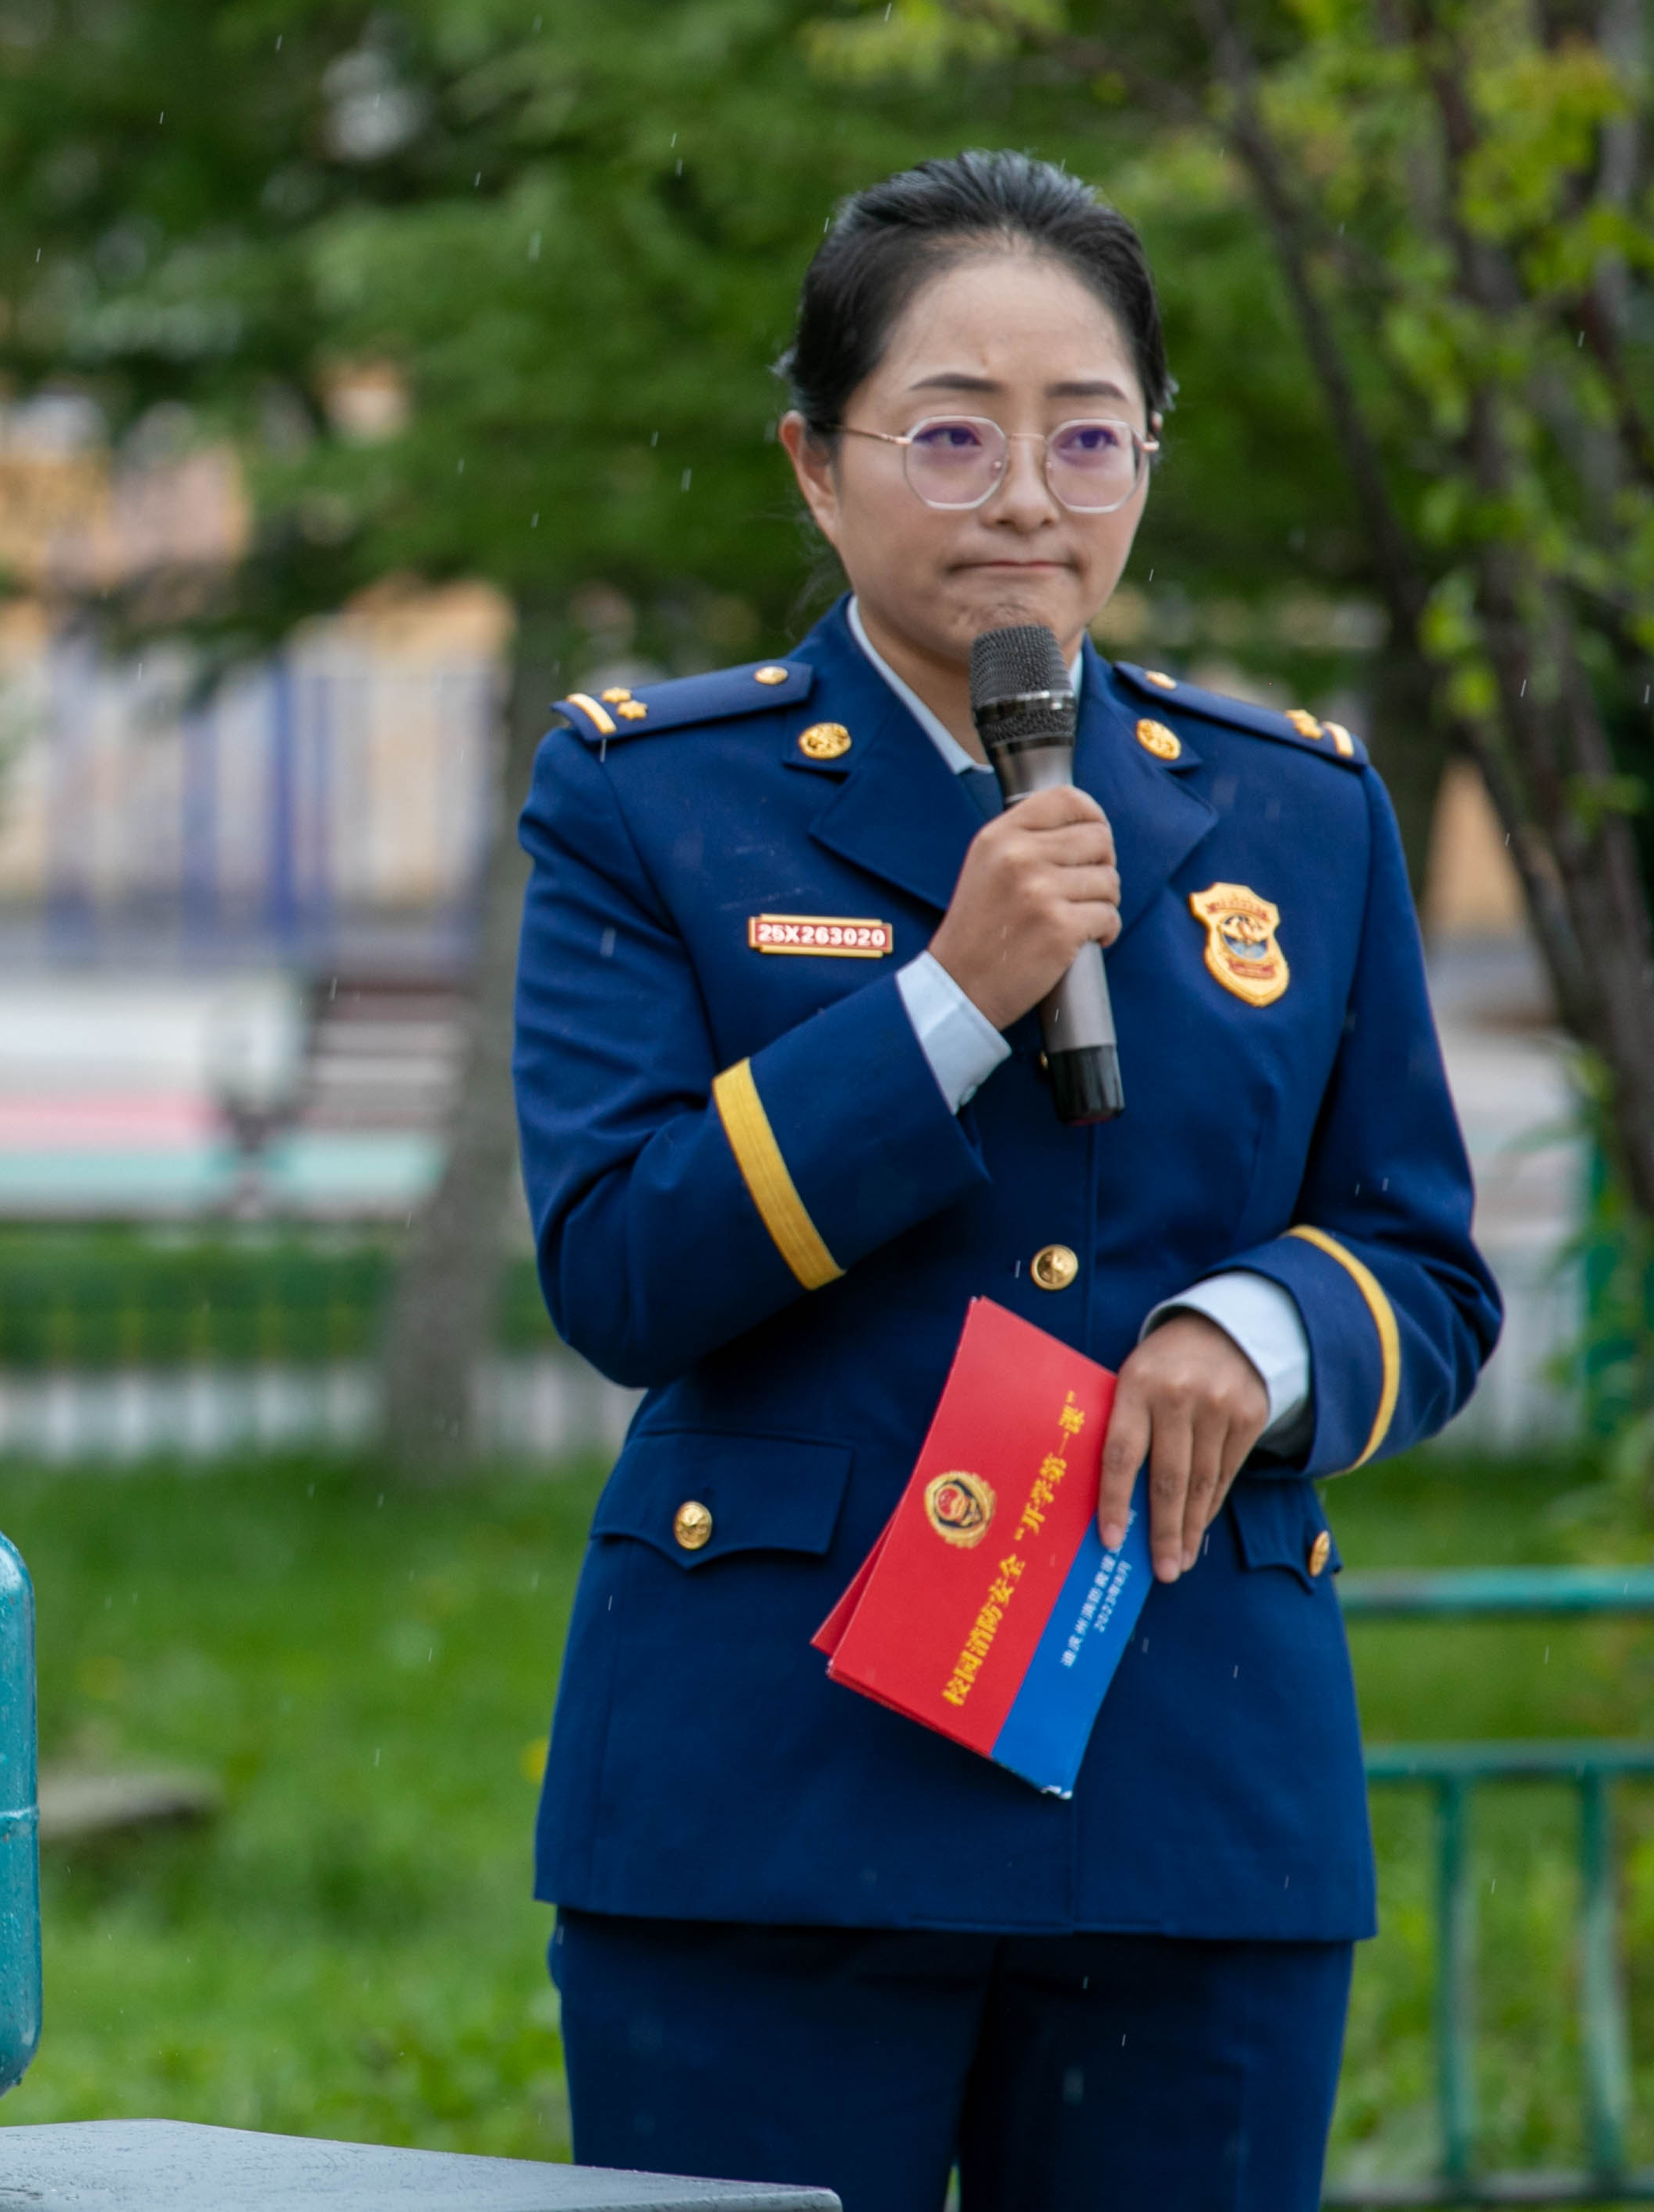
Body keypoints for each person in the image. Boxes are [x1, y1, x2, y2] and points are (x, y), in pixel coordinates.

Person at [514, 150, 1496, 2211]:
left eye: (1088, 436)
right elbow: (618, 1265)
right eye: (953, 434)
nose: (1029, 498)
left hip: (1192, 1791)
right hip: (773, 1792)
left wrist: (1262, 1331)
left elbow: (1423, 1255)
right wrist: (950, 999)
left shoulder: (1297, 814)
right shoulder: (649, 796)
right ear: (816, 464)